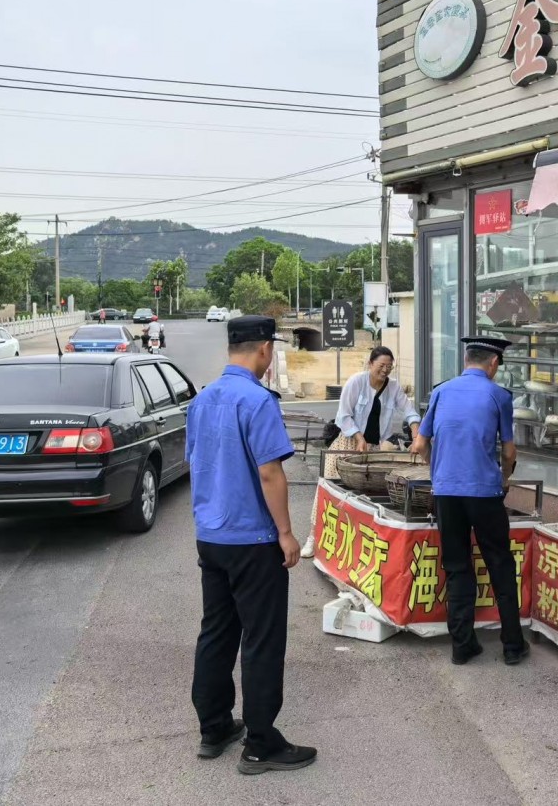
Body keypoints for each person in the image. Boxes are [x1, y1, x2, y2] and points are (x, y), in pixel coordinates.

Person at [186, 315, 317, 775]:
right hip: (254, 539)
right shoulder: (257, 400)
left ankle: (214, 727)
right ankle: (261, 743)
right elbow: (269, 472)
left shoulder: (202, 399)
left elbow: (198, 463)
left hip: (212, 537)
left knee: (217, 633)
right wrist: (286, 533)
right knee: (261, 640)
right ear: (264, 349)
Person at [410, 336, 527, 667]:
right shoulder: (499, 395)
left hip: (446, 493)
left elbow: (420, 444)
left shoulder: (441, 392)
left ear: (466, 360)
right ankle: (512, 646)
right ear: (493, 363)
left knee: (457, 565)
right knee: (500, 564)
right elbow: (509, 451)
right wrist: (504, 478)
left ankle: (462, 646)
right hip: (484, 492)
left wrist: (439, 472)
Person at [300, 346, 420, 558]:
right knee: (328, 490)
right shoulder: (356, 382)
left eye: (389, 366)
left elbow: (409, 411)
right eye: (381, 365)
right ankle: (312, 537)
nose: (385, 370)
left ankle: (355, 546)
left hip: (374, 451)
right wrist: (358, 436)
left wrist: (416, 432)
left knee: (365, 499)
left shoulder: (393, 387)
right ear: (370, 363)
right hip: (347, 444)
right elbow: (343, 415)